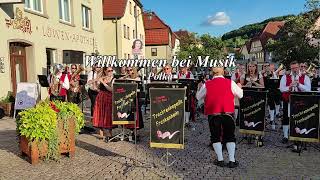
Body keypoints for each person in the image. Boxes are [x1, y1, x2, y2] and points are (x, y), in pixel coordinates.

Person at [196, 67, 243, 168]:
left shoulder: (207, 84)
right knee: (230, 136)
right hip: (228, 113)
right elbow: (240, 95)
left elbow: (198, 97)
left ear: (212, 73)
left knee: (215, 136)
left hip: (213, 113)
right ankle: (232, 160)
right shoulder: (230, 82)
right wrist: (239, 87)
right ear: (223, 73)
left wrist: (199, 88)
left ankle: (220, 159)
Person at [279, 61, 311, 144]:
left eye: (296, 68)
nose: (294, 70)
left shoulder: (305, 77)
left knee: (299, 118)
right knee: (286, 117)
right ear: (290, 68)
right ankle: (286, 136)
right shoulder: (285, 76)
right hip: (288, 99)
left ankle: (299, 135)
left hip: (300, 101)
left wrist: (298, 85)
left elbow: (308, 89)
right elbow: (282, 88)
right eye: (293, 68)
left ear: (298, 67)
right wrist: (289, 87)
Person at [92, 67, 115, 141]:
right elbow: (97, 88)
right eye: (109, 71)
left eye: (111, 70)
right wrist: (95, 82)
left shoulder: (113, 79)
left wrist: (103, 82)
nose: (110, 72)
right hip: (101, 97)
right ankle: (101, 134)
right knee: (100, 114)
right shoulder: (102, 77)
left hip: (109, 97)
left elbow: (111, 89)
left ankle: (110, 133)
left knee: (108, 115)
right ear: (105, 71)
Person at [122, 67, 144, 142]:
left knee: (136, 115)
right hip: (127, 99)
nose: (129, 72)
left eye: (130, 70)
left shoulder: (137, 78)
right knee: (128, 115)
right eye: (127, 70)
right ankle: (130, 132)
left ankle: (135, 132)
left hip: (135, 99)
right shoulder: (125, 78)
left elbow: (138, 87)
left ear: (134, 71)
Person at [261, 63, 281, 130]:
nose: (266, 67)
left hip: (274, 92)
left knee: (274, 104)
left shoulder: (273, 73)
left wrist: (273, 74)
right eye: (265, 66)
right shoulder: (261, 74)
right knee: (267, 106)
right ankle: (269, 121)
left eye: (267, 66)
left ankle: (274, 118)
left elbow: (277, 82)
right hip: (266, 92)